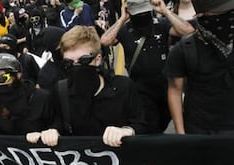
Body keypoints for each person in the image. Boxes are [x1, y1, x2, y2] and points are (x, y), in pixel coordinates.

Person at [39, 25, 147, 147]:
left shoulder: (123, 87)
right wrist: (52, 132)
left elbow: (141, 124)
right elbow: (58, 123)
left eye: (84, 60)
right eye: (68, 63)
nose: (77, 66)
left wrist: (127, 131)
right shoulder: (61, 91)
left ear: (98, 59)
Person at [100, 0, 194, 133]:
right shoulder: (125, 30)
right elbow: (104, 41)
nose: (142, 16)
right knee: (150, 126)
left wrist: (165, 11)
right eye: (138, 13)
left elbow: (188, 31)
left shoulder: (161, 25)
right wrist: (122, 19)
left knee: (163, 121)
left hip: (164, 86)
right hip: (140, 89)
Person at [165, 0, 234, 135]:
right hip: (201, 133)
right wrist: (181, 134)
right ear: (203, 16)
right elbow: (174, 91)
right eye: (223, 13)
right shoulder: (184, 50)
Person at [0, 53, 61, 145]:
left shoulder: (42, 98)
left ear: (18, 75)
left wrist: (50, 132)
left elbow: (58, 123)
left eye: (3, 78)